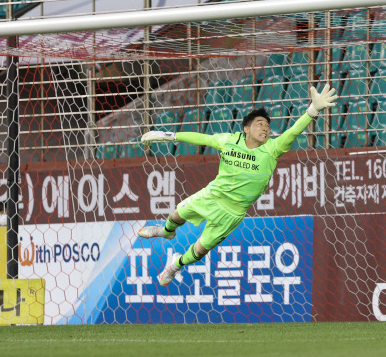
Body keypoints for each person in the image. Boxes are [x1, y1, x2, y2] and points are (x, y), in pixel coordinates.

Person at [138, 84, 338, 286]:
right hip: (213, 195)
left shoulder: (272, 149)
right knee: (176, 215)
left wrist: (312, 111)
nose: (266, 128)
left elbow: (293, 132)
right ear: (246, 128)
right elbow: (203, 138)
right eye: (260, 124)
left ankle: (174, 266)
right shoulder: (229, 141)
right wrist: (169, 136)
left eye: (268, 126)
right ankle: (166, 232)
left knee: (200, 250)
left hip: (234, 212)